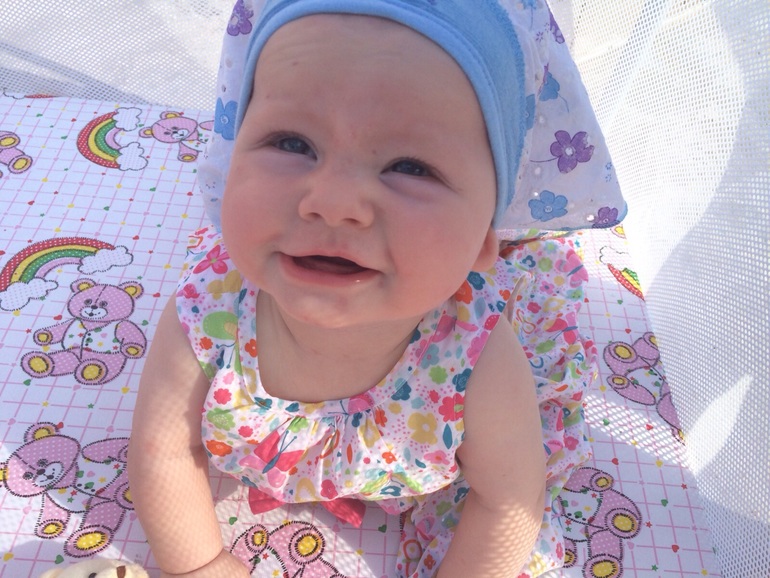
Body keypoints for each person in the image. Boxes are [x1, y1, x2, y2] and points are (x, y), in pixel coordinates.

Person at [128, 1, 626, 577]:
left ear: (483, 242)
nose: (333, 203)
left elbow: (508, 501)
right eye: (292, 143)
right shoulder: (208, 314)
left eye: (410, 167)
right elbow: (164, 450)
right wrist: (200, 565)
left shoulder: (476, 355)